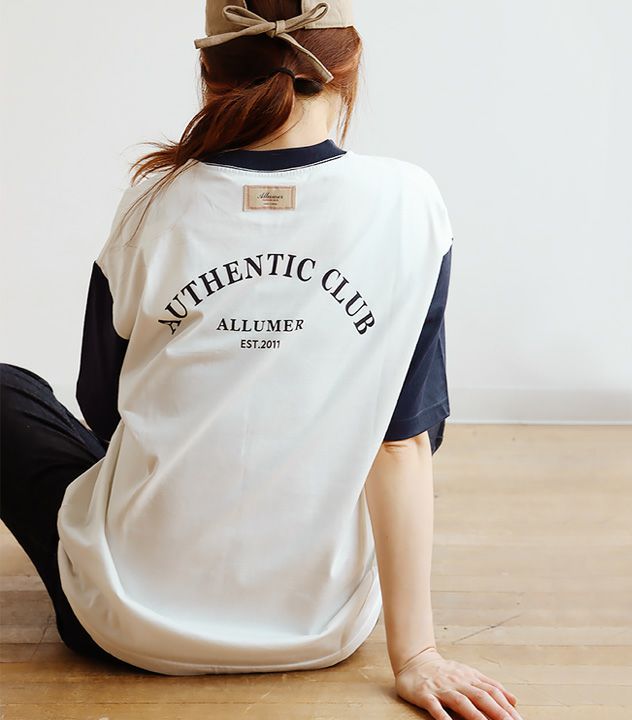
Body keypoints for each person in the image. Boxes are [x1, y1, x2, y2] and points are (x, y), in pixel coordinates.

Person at [0, 2, 523, 718]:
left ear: (208, 69)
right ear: (348, 65)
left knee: (10, 392)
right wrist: (418, 656)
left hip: (124, 626)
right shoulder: (411, 204)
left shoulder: (153, 203)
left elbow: (107, 408)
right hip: (321, 628)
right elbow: (403, 441)